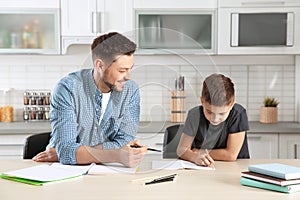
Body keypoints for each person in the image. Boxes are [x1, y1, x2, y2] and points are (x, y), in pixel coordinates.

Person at [33, 32, 147, 167]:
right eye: (122, 70)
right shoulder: (67, 88)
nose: (128, 77)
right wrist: (115, 154)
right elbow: (66, 152)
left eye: (130, 69)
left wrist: (78, 153)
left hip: (107, 169)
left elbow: (125, 141)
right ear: (100, 65)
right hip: (64, 169)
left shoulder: (131, 89)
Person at [176, 73, 249, 167]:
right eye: (209, 112)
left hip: (235, 168)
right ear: (202, 101)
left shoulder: (238, 114)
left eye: (222, 114)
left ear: (231, 105)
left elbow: (231, 155)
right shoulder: (194, 115)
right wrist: (194, 157)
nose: (214, 119)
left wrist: (197, 151)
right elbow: (181, 149)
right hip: (203, 169)